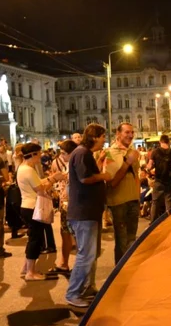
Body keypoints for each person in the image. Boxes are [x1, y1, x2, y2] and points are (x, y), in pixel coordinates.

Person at [66, 124, 110, 308]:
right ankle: (73, 293)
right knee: (86, 255)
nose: (104, 140)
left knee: (91, 254)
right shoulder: (82, 153)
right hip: (84, 213)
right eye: (102, 136)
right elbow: (85, 178)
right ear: (94, 137)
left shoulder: (84, 153)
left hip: (89, 212)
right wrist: (103, 176)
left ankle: (86, 288)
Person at [17, 143, 64, 281]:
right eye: (38, 154)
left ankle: (26, 268)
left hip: (27, 206)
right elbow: (40, 189)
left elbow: (37, 183)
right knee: (35, 240)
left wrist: (51, 178)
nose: (40, 156)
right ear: (32, 154)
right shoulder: (28, 170)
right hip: (33, 207)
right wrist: (54, 178)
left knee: (33, 238)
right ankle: (30, 272)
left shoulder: (23, 168)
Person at [104, 123, 141, 266]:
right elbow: (112, 182)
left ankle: (129, 268)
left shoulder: (132, 150)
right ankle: (119, 271)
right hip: (118, 201)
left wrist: (138, 197)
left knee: (132, 238)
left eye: (132, 132)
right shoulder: (110, 152)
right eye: (127, 132)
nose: (130, 135)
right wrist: (127, 162)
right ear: (118, 134)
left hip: (133, 199)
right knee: (122, 240)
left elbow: (136, 176)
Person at [51, 139, 78, 276]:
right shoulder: (63, 163)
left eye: (64, 153)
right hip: (65, 203)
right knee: (65, 233)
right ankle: (64, 263)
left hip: (72, 204)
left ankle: (74, 266)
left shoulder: (75, 165)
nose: (61, 156)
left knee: (75, 235)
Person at [148, 134, 171, 222]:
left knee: (155, 202)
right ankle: (168, 222)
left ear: (160, 142)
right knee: (168, 202)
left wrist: (150, 169)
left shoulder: (155, 152)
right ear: (168, 142)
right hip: (169, 180)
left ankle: (152, 223)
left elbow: (149, 166)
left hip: (158, 180)